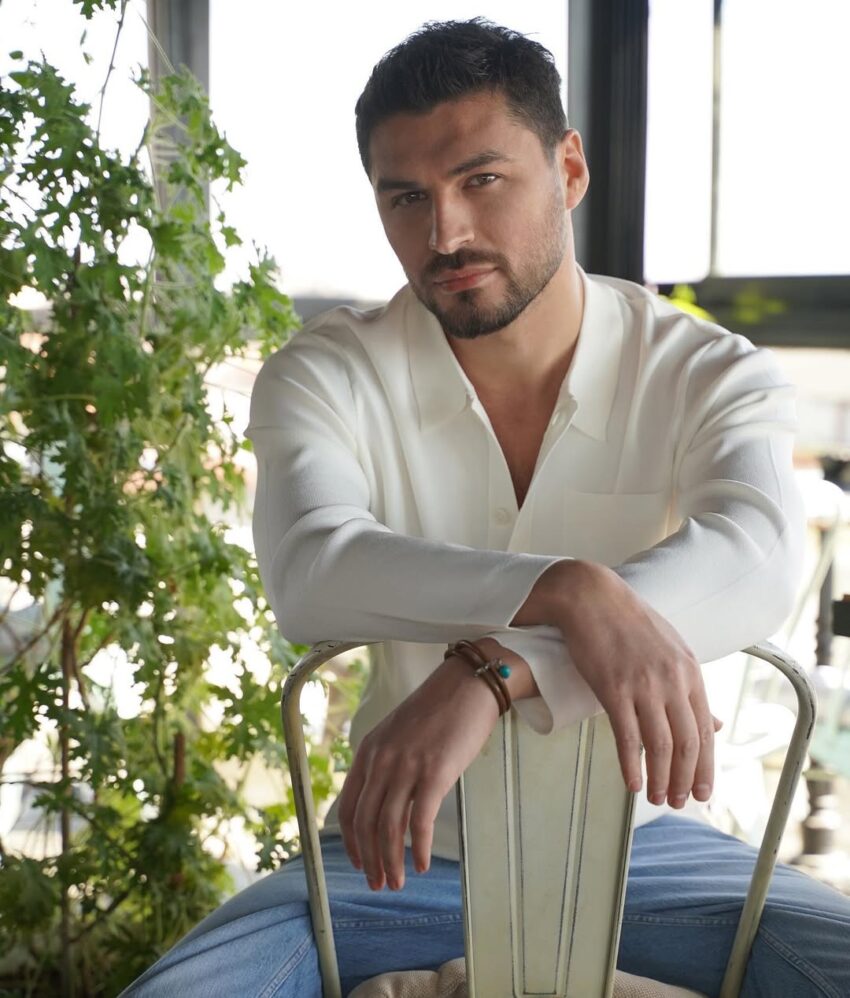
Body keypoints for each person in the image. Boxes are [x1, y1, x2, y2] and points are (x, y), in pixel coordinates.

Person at [123, 18, 850, 998]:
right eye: (407, 198)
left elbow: (756, 557)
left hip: (652, 849)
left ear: (569, 169)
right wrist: (567, 588)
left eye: (482, 180)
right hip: (396, 857)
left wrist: (499, 666)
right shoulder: (326, 372)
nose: (446, 234)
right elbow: (311, 571)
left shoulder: (706, 370)